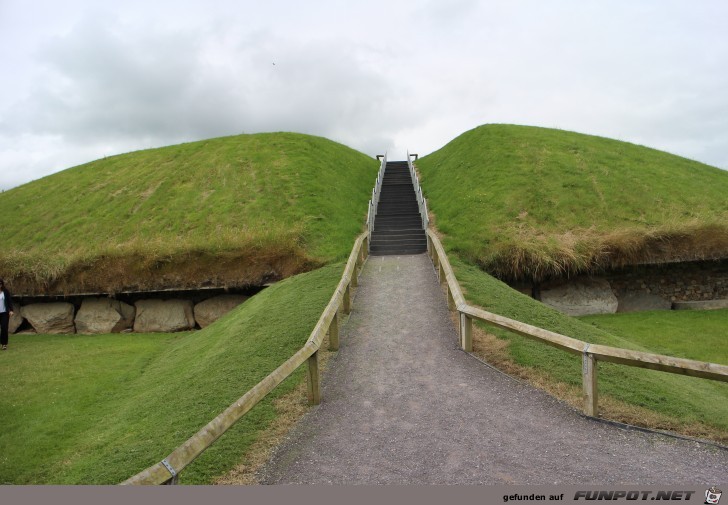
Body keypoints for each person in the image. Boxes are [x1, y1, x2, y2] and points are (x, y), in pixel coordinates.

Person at [0, 278, 15, 350]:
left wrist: (11, 310)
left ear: (2, 284)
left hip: (4, 313)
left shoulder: (5, 292)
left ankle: (4, 344)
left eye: (0, 283)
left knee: (4, 328)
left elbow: (9, 301)